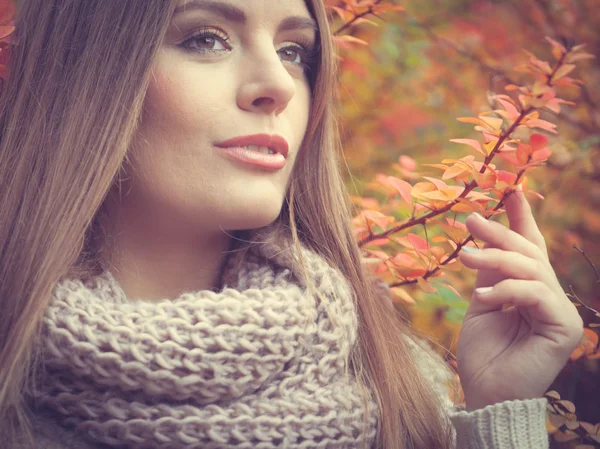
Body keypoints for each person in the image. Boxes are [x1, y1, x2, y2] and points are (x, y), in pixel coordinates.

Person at [0, 0, 583, 448]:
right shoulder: (14, 376)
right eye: (207, 38)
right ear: (85, 73)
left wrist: (499, 414)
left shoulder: (396, 381)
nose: (279, 86)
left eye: (293, 51)